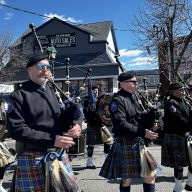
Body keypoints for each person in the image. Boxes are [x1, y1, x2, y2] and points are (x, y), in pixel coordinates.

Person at [6, 54, 82, 191]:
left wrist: (75, 125)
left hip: (58, 154)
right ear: (29, 70)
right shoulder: (19, 95)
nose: (45, 70)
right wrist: (52, 139)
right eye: (41, 67)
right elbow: (16, 129)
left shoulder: (52, 91)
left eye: (48, 67)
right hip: (33, 156)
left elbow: (60, 121)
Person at [99, 71, 160, 192]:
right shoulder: (117, 101)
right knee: (127, 178)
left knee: (150, 174)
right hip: (126, 142)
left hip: (138, 141)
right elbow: (121, 124)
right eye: (133, 82)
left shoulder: (134, 97)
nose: (136, 84)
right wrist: (143, 132)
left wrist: (152, 120)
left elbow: (138, 118)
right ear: (123, 84)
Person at [161, 82, 192, 192]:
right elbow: (179, 120)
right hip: (175, 136)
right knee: (179, 164)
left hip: (186, 135)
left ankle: (189, 184)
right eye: (181, 89)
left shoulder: (185, 101)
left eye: (183, 89)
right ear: (173, 91)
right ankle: (178, 188)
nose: (183, 91)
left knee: (191, 161)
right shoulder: (171, 103)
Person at [83, 85, 112, 169]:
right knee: (91, 144)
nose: (95, 92)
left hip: (102, 124)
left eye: (96, 90)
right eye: (93, 90)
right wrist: (92, 114)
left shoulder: (101, 100)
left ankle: (107, 162)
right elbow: (86, 112)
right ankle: (89, 163)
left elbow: (105, 110)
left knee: (107, 142)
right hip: (92, 124)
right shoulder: (87, 100)